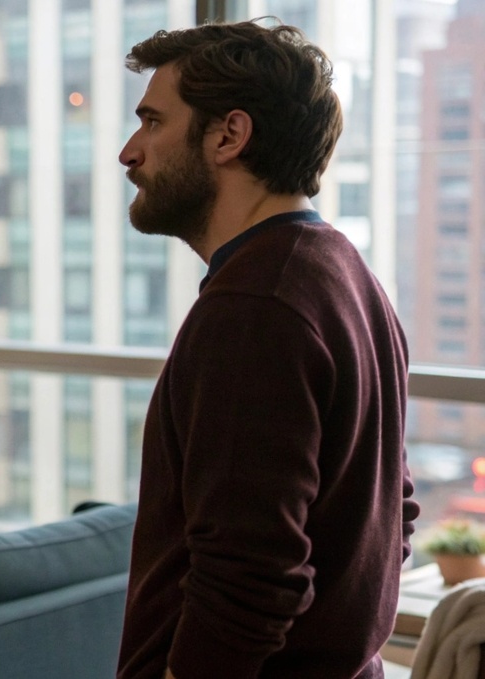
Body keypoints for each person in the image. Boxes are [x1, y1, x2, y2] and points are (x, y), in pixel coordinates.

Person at [115, 20, 419, 679]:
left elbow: (246, 576)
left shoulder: (254, 307)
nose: (128, 153)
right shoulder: (345, 273)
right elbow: (392, 514)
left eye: (153, 122)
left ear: (229, 135)